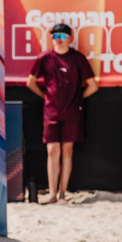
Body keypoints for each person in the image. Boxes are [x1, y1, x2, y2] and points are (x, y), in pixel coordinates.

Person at [26, 23, 98, 205]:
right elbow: (30, 82)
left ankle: (62, 194)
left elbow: (93, 85)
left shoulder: (78, 58)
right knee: (52, 151)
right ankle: (51, 194)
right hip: (51, 111)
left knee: (67, 151)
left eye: (62, 36)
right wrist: (45, 96)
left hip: (72, 112)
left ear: (70, 38)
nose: (58, 40)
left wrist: (78, 99)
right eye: (55, 36)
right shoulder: (45, 58)